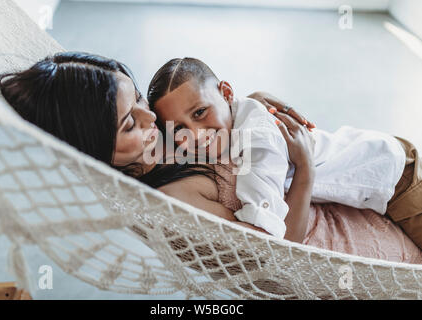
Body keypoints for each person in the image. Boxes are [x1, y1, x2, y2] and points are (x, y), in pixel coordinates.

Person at [0, 52, 422, 262]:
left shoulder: (162, 138)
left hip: (385, 181)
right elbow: (280, 255)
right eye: (129, 123)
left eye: (140, 101)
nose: (152, 120)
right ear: (94, 150)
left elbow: (204, 105)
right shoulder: (173, 202)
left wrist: (249, 108)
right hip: (383, 245)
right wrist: (305, 169)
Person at [146, 57, 422, 248]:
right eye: (178, 128)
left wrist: (304, 170)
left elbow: (278, 245)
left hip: (397, 178)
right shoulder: (231, 119)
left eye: (200, 112)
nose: (195, 135)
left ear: (227, 93)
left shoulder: (258, 143)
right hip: (378, 165)